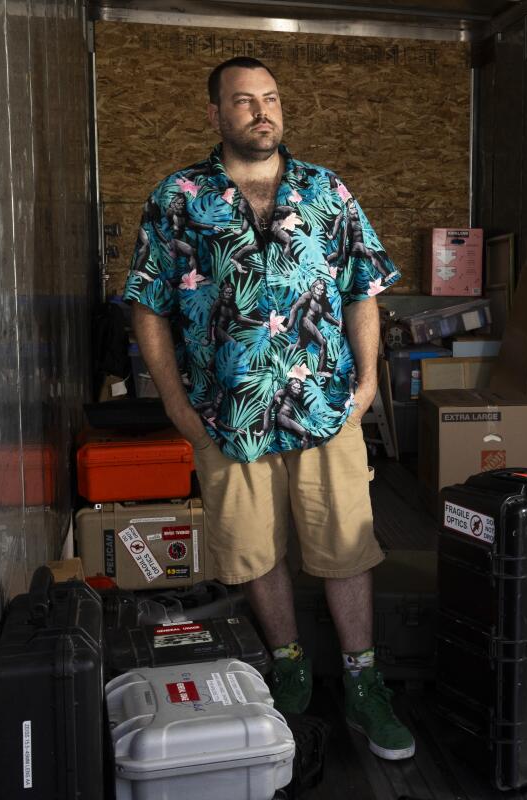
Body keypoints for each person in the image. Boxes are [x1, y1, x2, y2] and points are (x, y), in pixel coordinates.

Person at [124, 56, 412, 760]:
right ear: (218, 113)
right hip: (227, 412)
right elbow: (148, 306)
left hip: (323, 404)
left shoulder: (325, 191)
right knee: (255, 550)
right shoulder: (179, 197)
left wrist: (369, 383)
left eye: (271, 98)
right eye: (244, 101)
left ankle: (363, 681)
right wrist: (175, 402)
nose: (262, 111)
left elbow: (362, 288)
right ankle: (289, 666)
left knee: (345, 545)